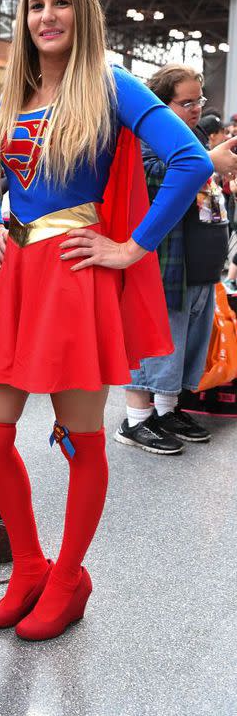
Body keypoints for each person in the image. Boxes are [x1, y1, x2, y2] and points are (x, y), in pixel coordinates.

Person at [0, 0, 213, 642]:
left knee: (78, 437)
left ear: (81, 13)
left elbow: (189, 160)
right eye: (35, 4)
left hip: (75, 277)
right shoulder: (16, 94)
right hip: (20, 277)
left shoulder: (107, 83)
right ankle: (30, 568)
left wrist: (130, 245)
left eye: (59, 2)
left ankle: (69, 577)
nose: (45, 15)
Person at [121, 66, 236, 453]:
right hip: (168, 264)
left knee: (183, 345)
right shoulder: (148, 139)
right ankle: (135, 420)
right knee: (156, 343)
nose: (194, 109)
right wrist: (207, 160)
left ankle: (167, 410)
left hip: (200, 269)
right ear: (159, 103)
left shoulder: (194, 136)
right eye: (185, 102)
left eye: (198, 101)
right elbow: (149, 181)